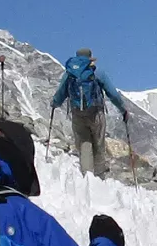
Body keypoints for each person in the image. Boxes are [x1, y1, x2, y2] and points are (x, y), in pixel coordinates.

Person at [50, 48, 130, 176]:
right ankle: (99, 176)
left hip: (77, 113)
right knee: (99, 143)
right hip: (96, 113)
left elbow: (61, 93)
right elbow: (113, 94)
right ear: (90, 58)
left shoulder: (69, 73)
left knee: (84, 143)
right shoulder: (98, 73)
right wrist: (123, 110)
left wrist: (54, 104)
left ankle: (87, 176)